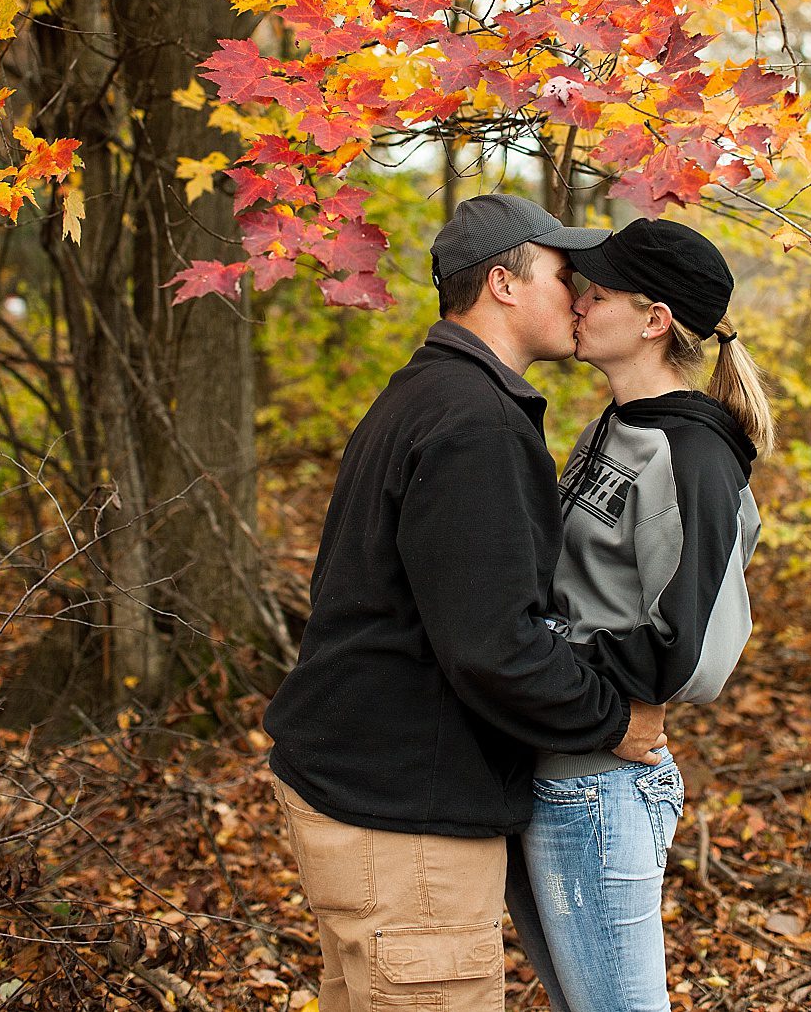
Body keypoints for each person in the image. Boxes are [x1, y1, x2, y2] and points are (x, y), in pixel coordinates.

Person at [264, 193, 667, 1012]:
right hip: (402, 819)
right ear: (503, 284)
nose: (580, 296)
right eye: (564, 274)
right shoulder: (477, 422)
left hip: (361, 788)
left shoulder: (429, 393)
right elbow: (495, 647)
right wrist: (615, 720)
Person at [505, 217, 774, 1012]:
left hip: (600, 789)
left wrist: (545, 654)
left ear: (654, 320)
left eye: (600, 292)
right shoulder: (611, 428)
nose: (578, 303)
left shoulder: (693, 456)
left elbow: (692, 651)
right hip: (553, 765)